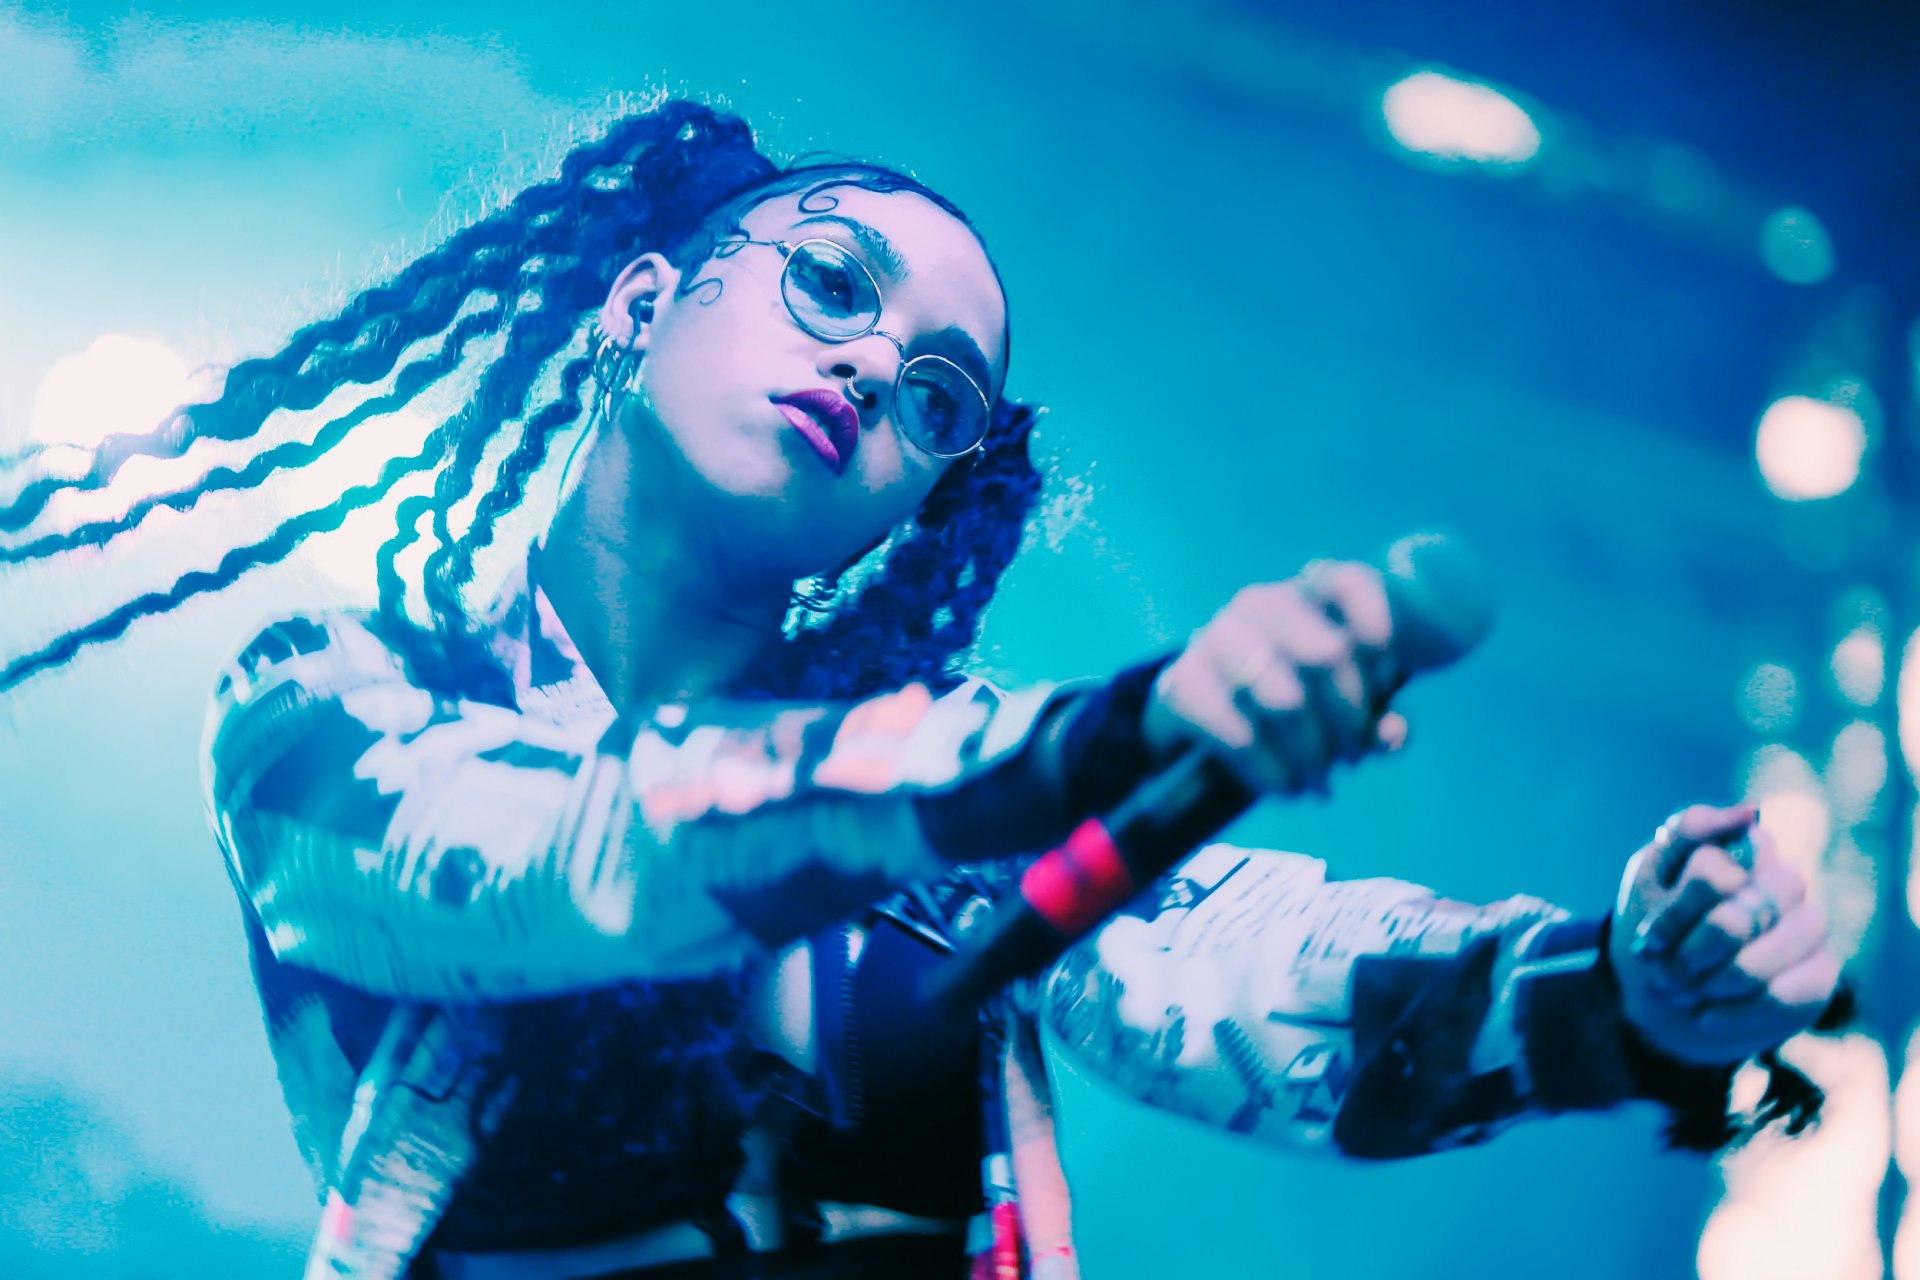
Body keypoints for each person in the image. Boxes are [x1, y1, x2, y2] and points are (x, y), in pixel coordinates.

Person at [0, 99, 1842, 1279]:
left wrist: (1628, 987)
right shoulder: (331, 695)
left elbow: (1256, 973)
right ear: (638, 305)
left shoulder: (955, 814)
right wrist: (1109, 735)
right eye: (829, 282)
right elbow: (557, 858)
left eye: (942, 396)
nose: (880, 363)